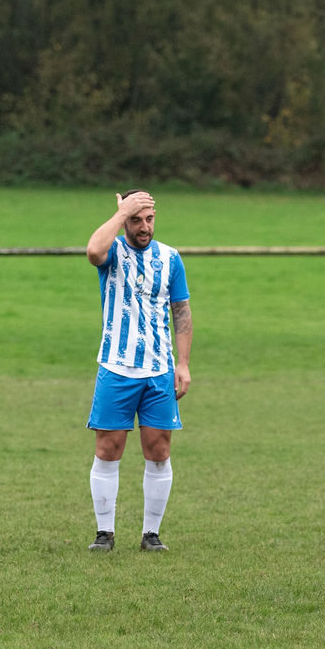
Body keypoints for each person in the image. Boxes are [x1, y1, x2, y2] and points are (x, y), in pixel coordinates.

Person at [83, 190, 192, 552]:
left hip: (159, 370)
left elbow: (182, 312)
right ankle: (105, 533)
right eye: (136, 219)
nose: (144, 227)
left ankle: (151, 534)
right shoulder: (112, 251)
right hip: (116, 366)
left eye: (149, 219)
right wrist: (119, 214)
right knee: (108, 447)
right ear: (125, 219)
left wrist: (184, 363)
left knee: (159, 449)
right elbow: (92, 252)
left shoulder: (170, 258)